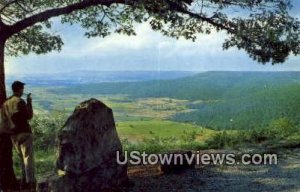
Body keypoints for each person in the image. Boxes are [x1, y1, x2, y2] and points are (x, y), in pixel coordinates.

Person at [2, 81, 36, 191]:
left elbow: (4, 120)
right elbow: (29, 116)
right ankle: (29, 183)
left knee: (22, 159)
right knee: (28, 158)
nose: (23, 91)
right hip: (25, 133)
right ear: (20, 89)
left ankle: (24, 182)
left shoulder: (5, 103)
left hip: (13, 135)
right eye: (22, 89)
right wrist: (29, 102)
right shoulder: (20, 101)